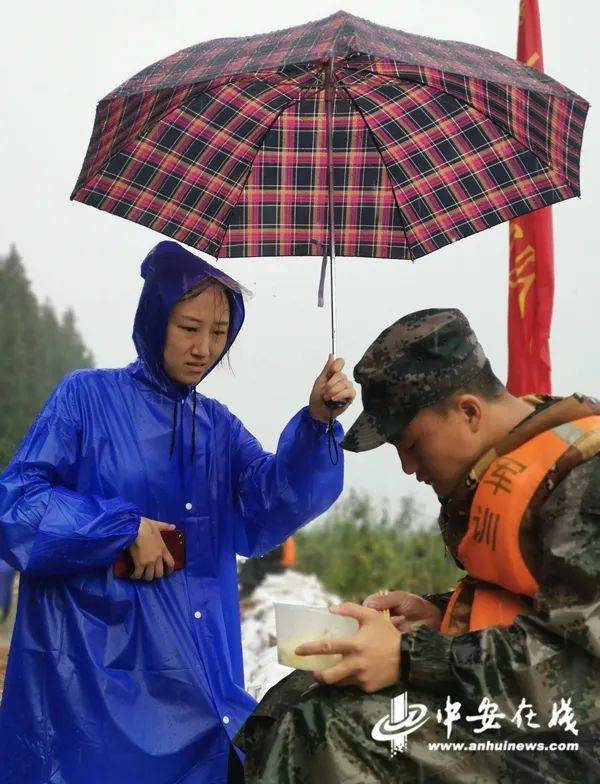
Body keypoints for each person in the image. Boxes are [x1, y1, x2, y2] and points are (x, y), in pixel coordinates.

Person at [0, 240, 356, 784]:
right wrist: (119, 529)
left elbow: (271, 502)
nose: (204, 348)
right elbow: (19, 506)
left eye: (219, 333)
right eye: (189, 328)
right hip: (96, 683)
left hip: (196, 681)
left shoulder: (218, 427)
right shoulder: (86, 400)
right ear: (154, 319)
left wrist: (315, 425)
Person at [236, 308, 600, 783]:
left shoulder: (584, 481)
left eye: (410, 443)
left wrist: (412, 656)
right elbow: (548, 599)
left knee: (334, 730)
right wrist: (443, 614)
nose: (408, 467)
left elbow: (579, 669)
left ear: (468, 411)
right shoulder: (518, 463)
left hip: (573, 738)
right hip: (524, 714)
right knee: (295, 697)